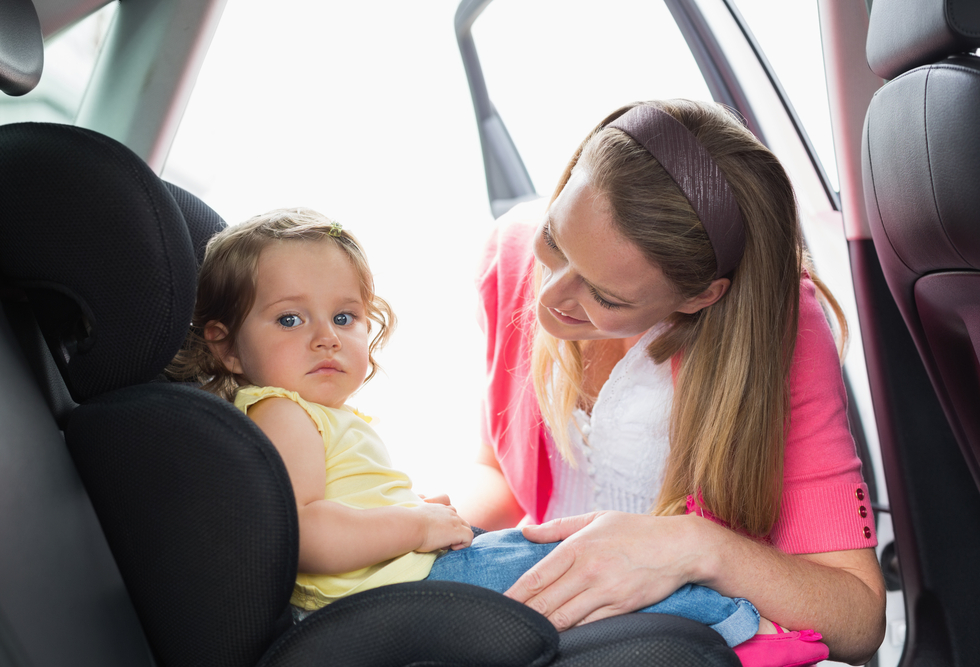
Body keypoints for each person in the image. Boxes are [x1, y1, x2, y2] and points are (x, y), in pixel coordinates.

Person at [167, 207, 763, 648]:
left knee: (548, 551)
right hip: (396, 589)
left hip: (401, 575)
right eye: (289, 320)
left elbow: (339, 507)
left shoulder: (310, 413)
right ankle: (742, 626)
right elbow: (306, 532)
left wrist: (409, 514)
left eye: (344, 317)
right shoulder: (281, 412)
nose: (326, 337)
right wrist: (413, 526)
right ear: (227, 347)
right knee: (576, 564)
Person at [459, 100, 886, 666]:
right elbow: (498, 472)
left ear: (699, 297)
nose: (549, 296)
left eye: (605, 296)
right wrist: (432, 526)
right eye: (555, 241)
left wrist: (694, 547)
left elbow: (860, 619)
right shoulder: (510, 251)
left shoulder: (778, 329)